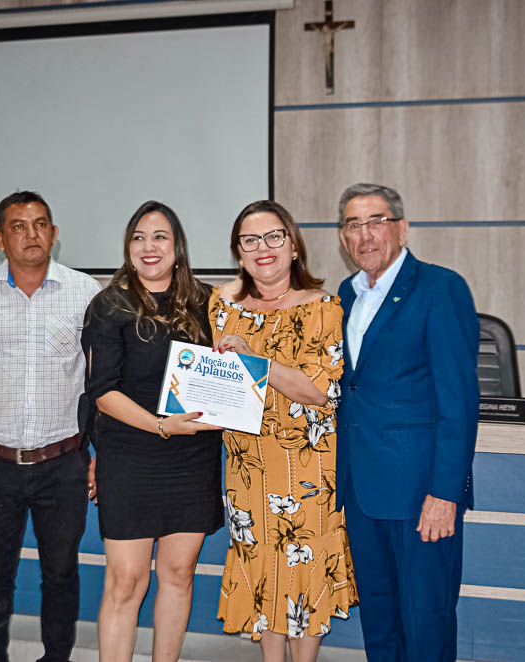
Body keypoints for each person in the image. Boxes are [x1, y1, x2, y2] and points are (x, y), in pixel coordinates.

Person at [0, 191, 101, 662]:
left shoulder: (86, 292)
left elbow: (100, 384)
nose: (31, 234)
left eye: (40, 224)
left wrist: (102, 456)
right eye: (18, 225)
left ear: (55, 234)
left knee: (61, 573)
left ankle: (57, 657)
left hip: (65, 463)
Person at [334, 183, 480, 662]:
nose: (365, 235)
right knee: (380, 618)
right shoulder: (346, 295)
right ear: (343, 237)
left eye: (376, 221)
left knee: (426, 620)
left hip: (421, 493)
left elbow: (458, 403)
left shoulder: (440, 288)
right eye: (353, 225)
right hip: (361, 489)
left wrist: (446, 493)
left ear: (401, 227)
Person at [211, 200, 357, 662]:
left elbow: (317, 391)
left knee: (304, 572)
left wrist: (254, 358)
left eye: (274, 237)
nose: (263, 248)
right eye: (249, 241)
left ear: (294, 245)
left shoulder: (325, 308)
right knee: (263, 569)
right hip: (247, 467)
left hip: (308, 470)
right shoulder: (222, 306)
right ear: (238, 252)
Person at [80, 201, 223, 662]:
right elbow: (102, 392)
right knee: (126, 581)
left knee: (179, 573)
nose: (149, 246)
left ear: (177, 246)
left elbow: (230, 368)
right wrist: (162, 426)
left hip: (192, 460)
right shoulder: (109, 305)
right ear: (128, 247)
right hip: (131, 458)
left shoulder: (208, 301)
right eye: (139, 237)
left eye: (160, 236)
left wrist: (236, 346)